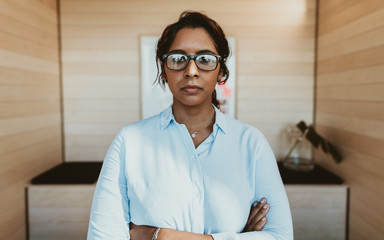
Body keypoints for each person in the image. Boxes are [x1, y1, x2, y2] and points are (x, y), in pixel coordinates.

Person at [87, 11, 293, 240]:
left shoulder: (251, 142)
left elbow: (280, 236)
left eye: (205, 59)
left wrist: (160, 236)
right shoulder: (129, 141)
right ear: (164, 70)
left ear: (221, 71)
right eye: (178, 59)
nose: (191, 71)